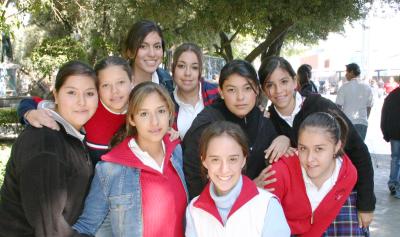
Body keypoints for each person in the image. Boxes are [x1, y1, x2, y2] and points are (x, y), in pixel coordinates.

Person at [258, 56, 375, 228]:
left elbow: (358, 150)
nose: (278, 90)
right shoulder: (268, 122)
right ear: (263, 89)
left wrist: (366, 205)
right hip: (301, 212)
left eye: (284, 81)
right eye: (270, 85)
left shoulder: (320, 106)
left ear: (294, 81)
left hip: (338, 198)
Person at [73, 82, 188, 237]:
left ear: (169, 113)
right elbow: (86, 227)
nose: (154, 122)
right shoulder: (110, 169)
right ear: (132, 119)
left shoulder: (176, 152)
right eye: (144, 114)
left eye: (160, 111)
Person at [0, 61, 98, 236]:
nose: (81, 101)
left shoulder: (71, 133)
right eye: (71, 93)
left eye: (89, 93)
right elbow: (49, 227)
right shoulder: (45, 142)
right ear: (56, 95)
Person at [17, 19, 173, 130]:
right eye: (143, 46)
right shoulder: (108, 79)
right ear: (131, 50)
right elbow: (46, 103)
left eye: (157, 46)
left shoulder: (167, 83)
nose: (152, 53)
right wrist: (29, 113)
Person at [183, 59, 290, 200]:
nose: (240, 97)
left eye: (247, 88)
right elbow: (194, 182)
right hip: (215, 213)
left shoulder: (262, 120)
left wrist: (284, 138)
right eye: (231, 90)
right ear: (221, 91)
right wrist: (248, 188)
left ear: (257, 90)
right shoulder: (206, 125)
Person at [266, 112, 367, 236]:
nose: (309, 159)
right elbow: (262, 223)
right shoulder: (279, 173)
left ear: (336, 147)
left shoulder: (348, 174)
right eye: (303, 148)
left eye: (319, 149)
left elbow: (325, 219)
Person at [17, 56, 133, 165]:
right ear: (97, 89)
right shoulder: (88, 109)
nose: (115, 91)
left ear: (131, 81)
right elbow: (31, 102)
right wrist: (28, 113)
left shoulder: (140, 110)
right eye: (106, 85)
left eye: (121, 82)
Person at [185, 121, 290, 237]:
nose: (224, 169)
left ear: (244, 159)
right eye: (215, 159)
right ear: (204, 161)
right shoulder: (194, 210)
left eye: (232, 159)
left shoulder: (267, 205)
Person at [171, 43, 219, 139]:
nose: (187, 73)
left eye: (194, 67)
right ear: (173, 69)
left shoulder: (216, 93)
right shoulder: (165, 103)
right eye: (181, 66)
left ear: (200, 71)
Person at [336, 63, 373, 140]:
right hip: (362, 123)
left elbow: (338, 106)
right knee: (359, 150)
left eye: (347, 72)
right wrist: (364, 118)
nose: (345, 75)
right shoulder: (367, 87)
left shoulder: (344, 87)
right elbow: (369, 107)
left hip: (347, 123)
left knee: (347, 150)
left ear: (352, 72)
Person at [381, 78, 400, 198]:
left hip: (394, 133)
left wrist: (385, 132)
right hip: (394, 132)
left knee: (395, 159)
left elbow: (384, 116)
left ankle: (393, 182)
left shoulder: (391, 96)